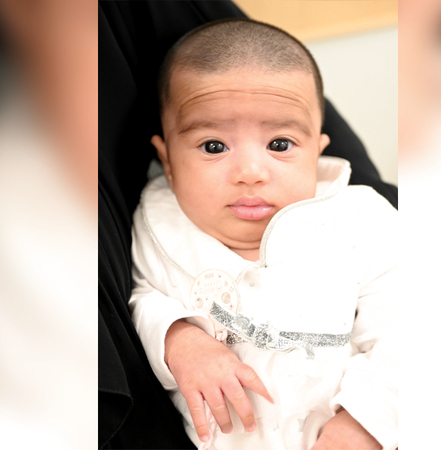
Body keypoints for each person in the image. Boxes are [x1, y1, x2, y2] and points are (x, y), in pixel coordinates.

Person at [98, 2, 397, 448]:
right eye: (214, 146)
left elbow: (405, 332)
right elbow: (141, 296)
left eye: (280, 144)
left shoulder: (360, 221)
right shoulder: (162, 223)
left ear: (317, 151)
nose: (250, 172)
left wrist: (365, 423)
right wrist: (179, 339)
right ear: (168, 160)